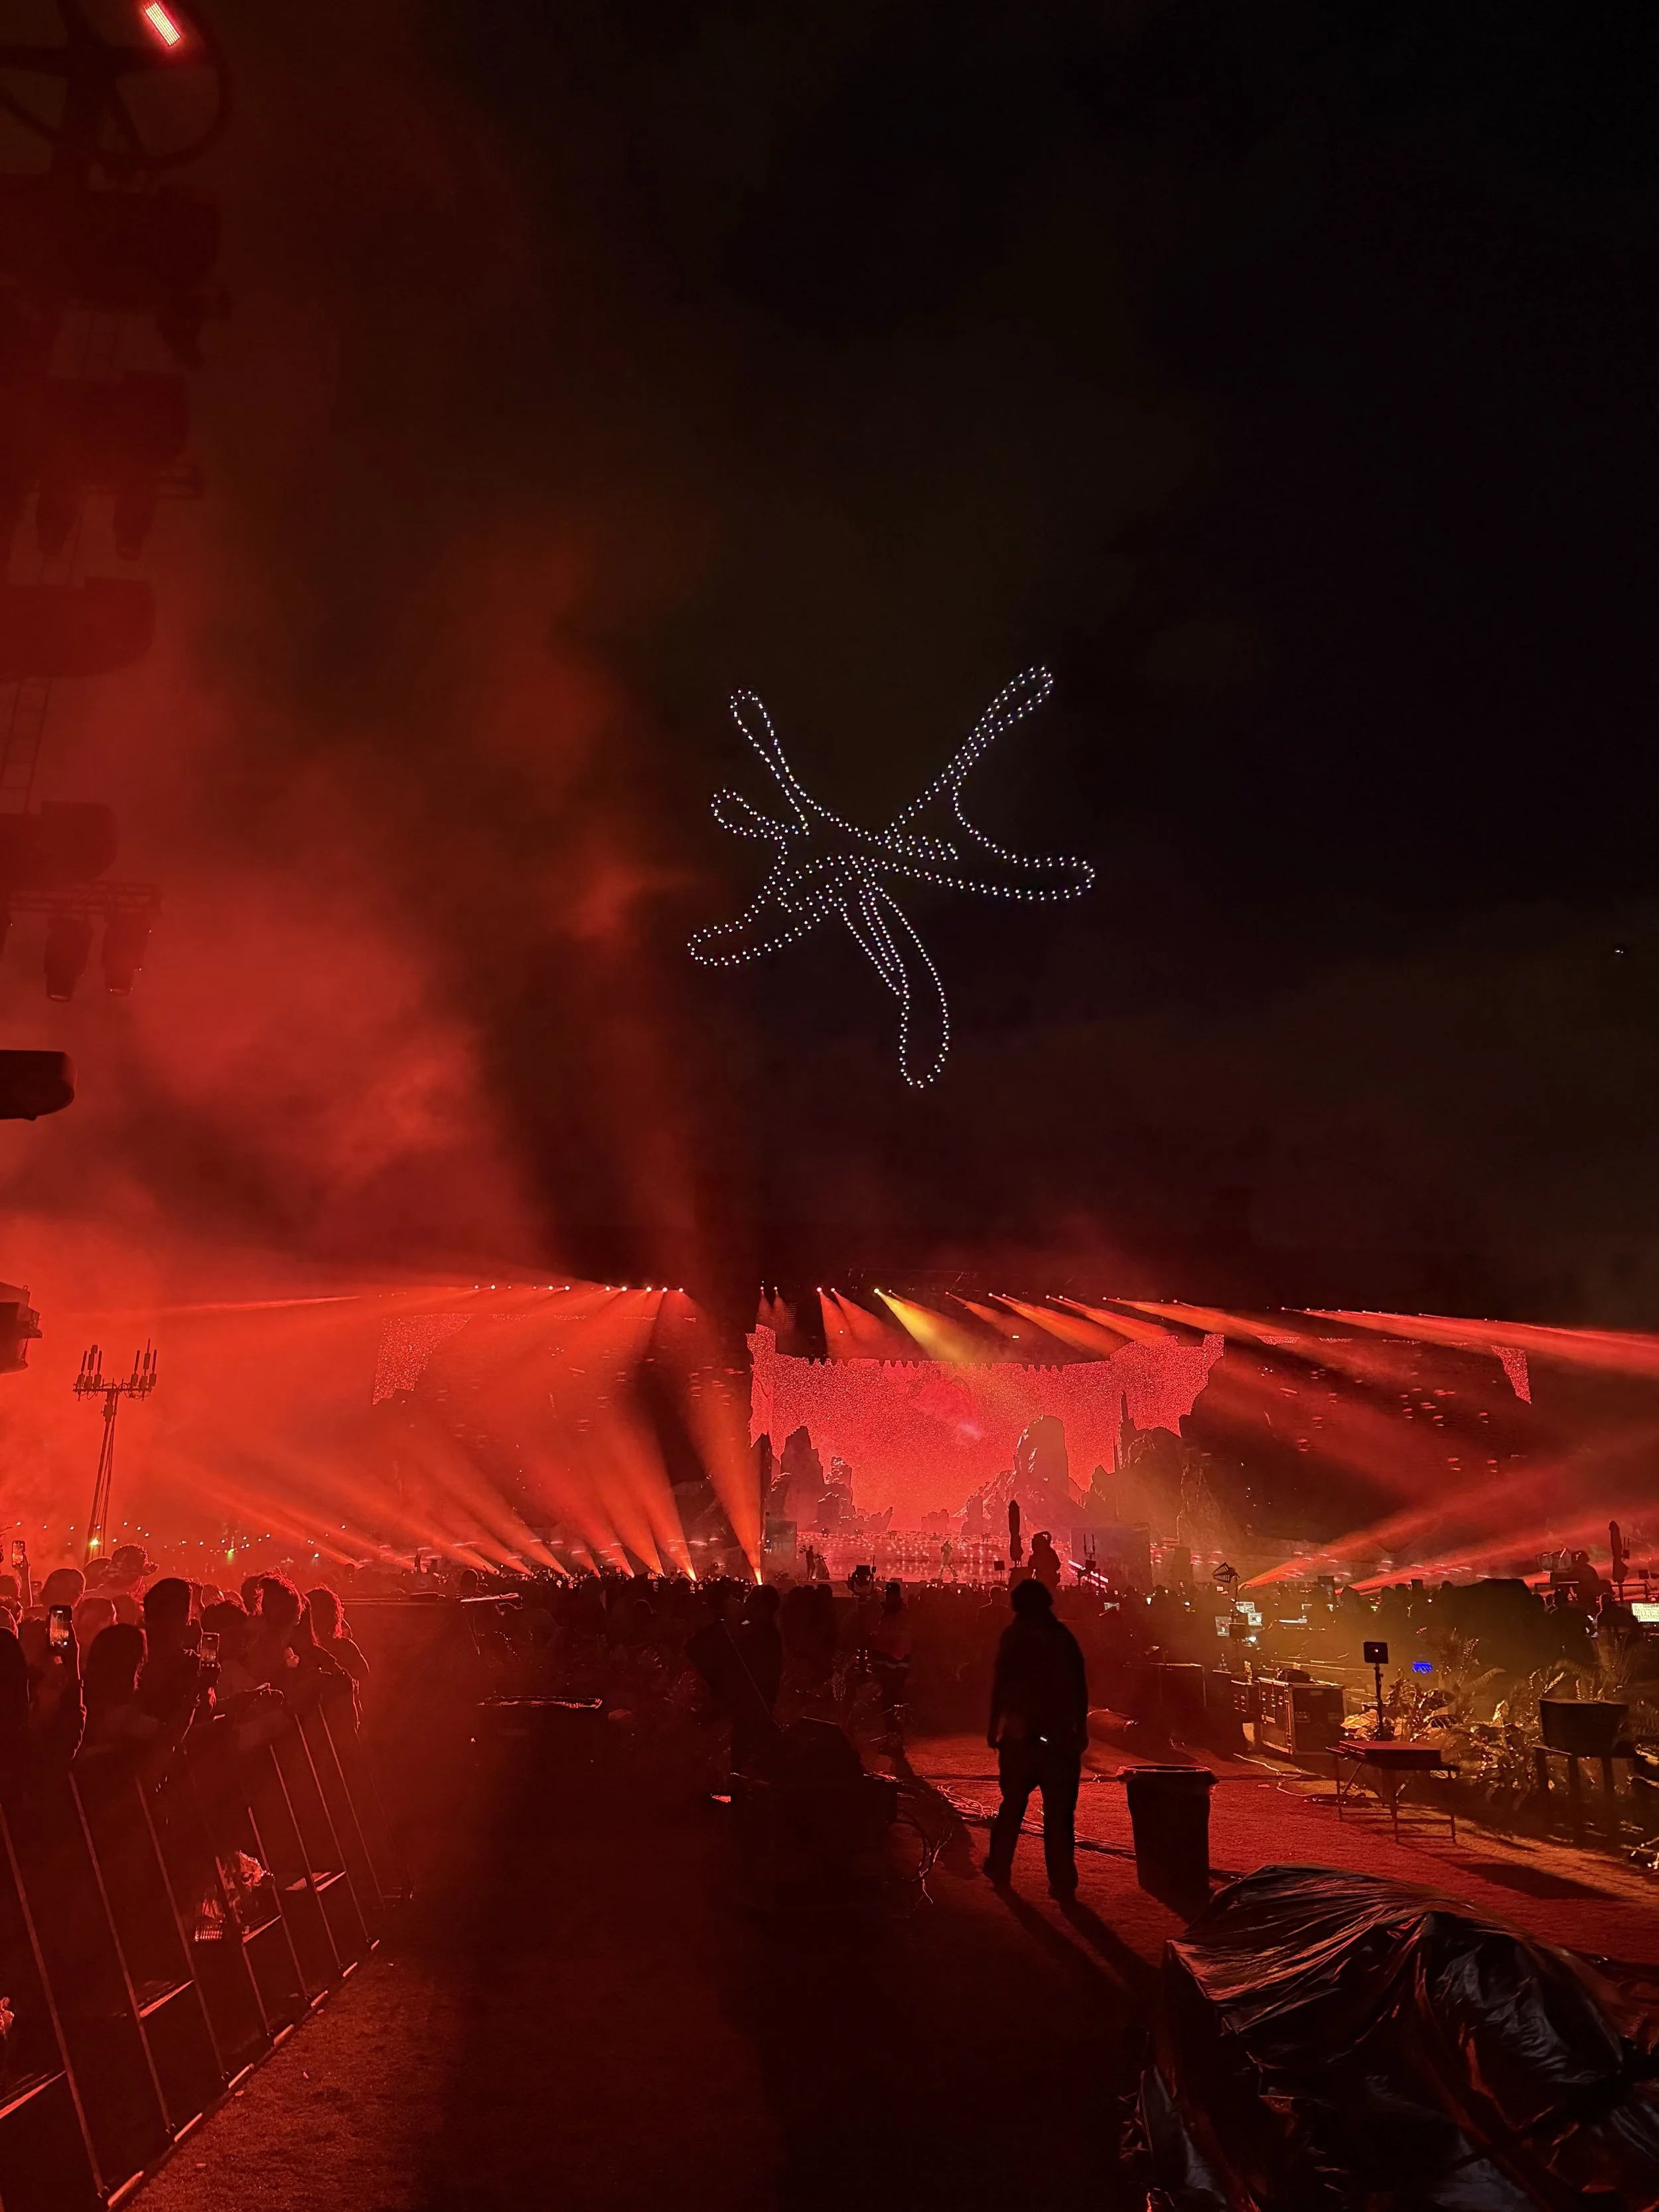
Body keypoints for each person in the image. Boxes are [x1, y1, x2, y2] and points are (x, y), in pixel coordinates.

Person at [985, 1578, 1089, 1898]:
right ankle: (1062, 1881)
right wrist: (1080, 1728)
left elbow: (1001, 1685)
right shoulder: (1062, 1637)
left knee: (1012, 1805)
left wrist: (994, 1725)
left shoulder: (1013, 1637)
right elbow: (1079, 1686)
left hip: (1020, 1737)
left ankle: (999, 1866)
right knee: (1059, 1815)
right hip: (1058, 1738)